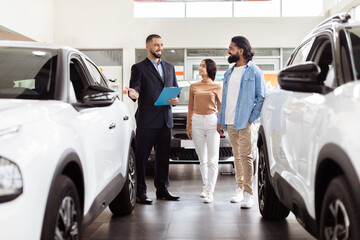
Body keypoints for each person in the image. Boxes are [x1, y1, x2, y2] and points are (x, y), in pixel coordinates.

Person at [126, 34, 180, 204]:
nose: (160, 48)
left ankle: (162, 190)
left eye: (162, 45)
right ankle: (140, 192)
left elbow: (174, 90)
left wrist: (175, 100)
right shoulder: (139, 68)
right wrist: (133, 94)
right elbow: (135, 88)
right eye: (156, 45)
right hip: (147, 120)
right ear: (148, 47)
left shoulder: (170, 68)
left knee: (163, 157)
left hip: (165, 119)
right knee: (142, 157)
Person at [217, 36, 267, 209]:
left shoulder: (255, 71)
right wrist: (221, 120)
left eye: (231, 48)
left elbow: (261, 97)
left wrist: (250, 119)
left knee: (246, 157)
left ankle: (249, 193)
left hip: (244, 122)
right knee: (236, 156)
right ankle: (239, 188)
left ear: (241, 50)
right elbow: (225, 98)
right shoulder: (228, 73)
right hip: (230, 121)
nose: (228, 51)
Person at [186, 59, 222, 204]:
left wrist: (221, 124)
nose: (200, 68)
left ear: (210, 69)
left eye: (203, 66)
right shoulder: (193, 86)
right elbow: (190, 107)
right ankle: (205, 185)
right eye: (200, 66)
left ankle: (210, 192)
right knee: (203, 159)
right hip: (197, 122)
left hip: (212, 121)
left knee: (213, 159)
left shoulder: (217, 86)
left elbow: (221, 107)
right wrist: (189, 125)